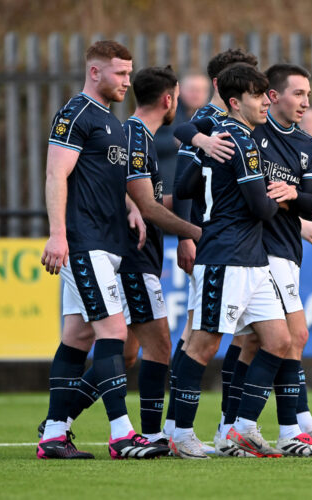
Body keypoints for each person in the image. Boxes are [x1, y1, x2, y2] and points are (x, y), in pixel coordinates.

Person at [37, 41, 185, 460]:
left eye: (129, 73)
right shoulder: (76, 113)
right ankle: (122, 435)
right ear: (95, 72)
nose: (127, 81)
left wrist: (133, 208)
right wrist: (57, 233)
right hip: (84, 242)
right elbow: (56, 173)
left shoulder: (114, 125)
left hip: (109, 242)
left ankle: (53, 435)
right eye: (120, 73)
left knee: (79, 336)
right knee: (114, 334)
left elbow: (104, 179)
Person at [167, 62, 295, 459]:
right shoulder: (240, 139)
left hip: (251, 258)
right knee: (203, 346)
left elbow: (186, 182)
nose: (266, 103)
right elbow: (260, 207)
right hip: (226, 256)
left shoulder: (219, 134)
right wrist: (283, 194)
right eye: (258, 96)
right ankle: (180, 431)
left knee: (278, 340)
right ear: (236, 102)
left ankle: (242, 428)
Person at [161, 48, 258, 446]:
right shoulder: (210, 121)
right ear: (225, 86)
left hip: (244, 246)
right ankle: (177, 428)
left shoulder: (246, 122)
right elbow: (185, 167)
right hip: (216, 241)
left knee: (255, 337)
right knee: (198, 337)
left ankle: (230, 426)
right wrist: (186, 234)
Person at [153, 71, 212, 194]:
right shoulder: (165, 111)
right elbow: (144, 142)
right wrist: (177, 141)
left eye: (202, 90)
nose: (197, 94)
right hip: (166, 185)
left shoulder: (212, 117)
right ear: (179, 90)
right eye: (192, 90)